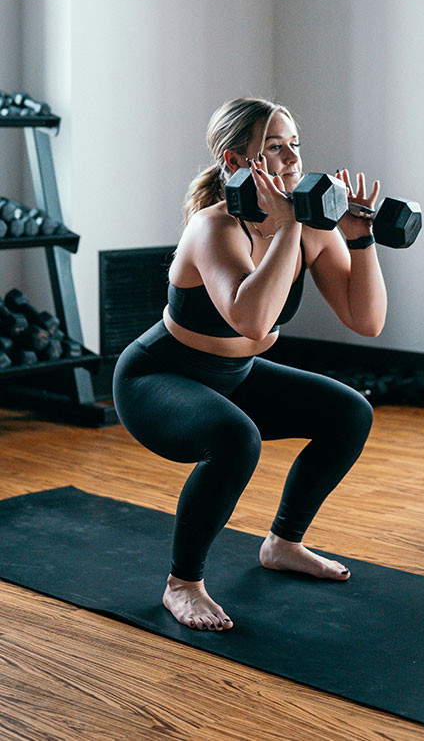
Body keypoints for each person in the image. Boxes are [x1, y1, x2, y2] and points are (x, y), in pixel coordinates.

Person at [113, 97, 387, 631]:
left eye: (294, 147)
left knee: (349, 413)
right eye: (273, 149)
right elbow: (254, 322)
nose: (292, 162)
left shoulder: (310, 229)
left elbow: (366, 320)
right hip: (158, 378)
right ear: (235, 162)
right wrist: (287, 228)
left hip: (235, 377)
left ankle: (283, 544)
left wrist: (362, 239)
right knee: (237, 439)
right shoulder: (213, 229)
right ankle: (182, 584)